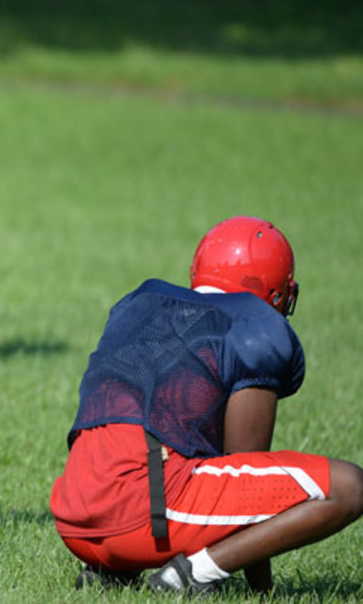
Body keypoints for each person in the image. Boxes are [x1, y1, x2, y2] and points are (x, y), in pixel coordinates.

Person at [51, 216, 363, 594]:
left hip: (76, 517)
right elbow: (247, 477)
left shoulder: (141, 306)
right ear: (278, 291)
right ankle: (189, 575)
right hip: (139, 518)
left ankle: (114, 571)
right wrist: (261, 591)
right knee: (349, 486)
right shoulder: (253, 330)